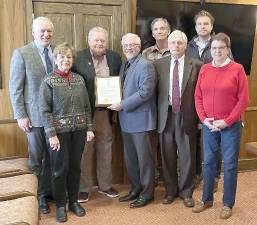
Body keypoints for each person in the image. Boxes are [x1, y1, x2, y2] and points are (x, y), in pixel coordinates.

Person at [193, 33, 249, 219]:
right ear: (210, 50)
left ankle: (227, 203)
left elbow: (243, 100)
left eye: (221, 48)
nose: (217, 51)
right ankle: (207, 199)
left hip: (230, 126)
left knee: (230, 165)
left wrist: (227, 121)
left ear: (228, 50)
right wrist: (204, 118)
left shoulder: (238, 69)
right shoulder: (205, 69)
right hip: (209, 125)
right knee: (208, 163)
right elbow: (198, 96)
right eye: (214, 48)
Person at [39, 42, 94, 223]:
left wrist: (89, 128)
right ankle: (61, 205)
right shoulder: (48, 81)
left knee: (75, 168)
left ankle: (73, 202)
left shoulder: (79, 79)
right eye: (62, 57)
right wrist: (51, 134)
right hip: (58, 134)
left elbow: (86, 106)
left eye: (69, 57)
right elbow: (44, 110)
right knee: (59, 170)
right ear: (55, 59)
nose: (65, 60)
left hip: (78, 131)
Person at [9, 16, 54, 214]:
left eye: (49, 31)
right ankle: (39, 196)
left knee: (54, 157)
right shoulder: (22, 53)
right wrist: (21, 115)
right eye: (42, 31)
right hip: (33, 118)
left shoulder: (57, 52)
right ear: (33, 32)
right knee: (37, 159)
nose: (46, 34)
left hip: (55, 117)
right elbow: (15, 88)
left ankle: (51, 191)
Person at [72, 26, 121, 202]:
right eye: (96, 40)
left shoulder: (115, 57)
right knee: (85, 151)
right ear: (89, 41)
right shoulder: (78, 57)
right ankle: (83, 188)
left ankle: (105, 185)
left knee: (106, 149)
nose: (99, 43)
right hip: (86, 112)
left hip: (106, 113)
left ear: (106, 42)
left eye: (102, 40)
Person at [154, 30, 202, 207]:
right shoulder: (158, 64)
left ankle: (186, 192)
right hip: (165, 116)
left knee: (187, 155)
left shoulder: (197, 65)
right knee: (167, 156)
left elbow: (200, 94)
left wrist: (200, 119)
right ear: (169, 44)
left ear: (185, 44)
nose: (176, 46)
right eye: (173, 42)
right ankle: (170, 191)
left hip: (187, 115)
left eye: (180, 43)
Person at [186, 10, 233, 190]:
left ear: (211, 26)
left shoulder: (219, 44)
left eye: (206, 24)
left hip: (214, 104)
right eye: (199, 24)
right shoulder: (189, 45)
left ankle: (213, 177)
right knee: (195, 141)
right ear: (196, 26)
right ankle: (199, 173)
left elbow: (230, 70)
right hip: (193, 102)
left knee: (214, 143)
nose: (202, 27)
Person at [109, 33, 156, 208]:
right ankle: (136, 189)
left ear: (140, 47)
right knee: (131, 160)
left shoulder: (145, 65)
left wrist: (122, 104)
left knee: (145, 161)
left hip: (141, 121)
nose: (128, 48)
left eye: (132, 45)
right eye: (125, 45)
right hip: (126, 120)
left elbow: (146, 92)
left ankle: (147, 193)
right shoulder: (125, 64)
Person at [142, 17, 171, 186]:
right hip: (151, 105)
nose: (159, 31)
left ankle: (170, 179)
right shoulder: (146, 53)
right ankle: (152, 179)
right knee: (151, 144)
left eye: (162, 28)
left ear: (168, 30)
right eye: (156, 29)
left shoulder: (176, 49)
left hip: (169, 105)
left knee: (169, 144)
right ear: (152, 33)